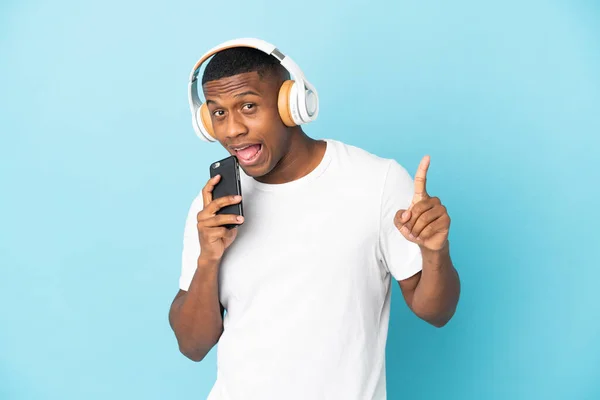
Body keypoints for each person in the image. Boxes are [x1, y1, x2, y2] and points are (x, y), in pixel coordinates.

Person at [168, 38, 461, 400]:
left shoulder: (377, 181)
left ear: (291, 105)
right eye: (218, 112)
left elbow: (436, 311)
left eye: (247, 106)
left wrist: (436, 252)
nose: (231, 130)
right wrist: (208, 259)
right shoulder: (214, 202)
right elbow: (192, 345)